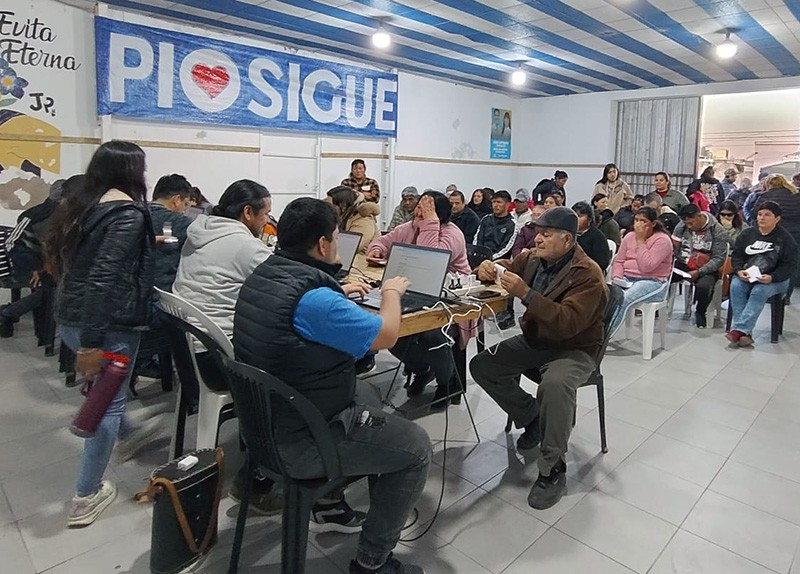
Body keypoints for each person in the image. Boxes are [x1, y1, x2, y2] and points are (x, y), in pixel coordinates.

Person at [233, 197, 431, 574]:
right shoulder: (315, 301)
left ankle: (328, 504)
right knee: (416, 448)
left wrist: (338, 294)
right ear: (323, 244)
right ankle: (373, 561)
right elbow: (387, 334)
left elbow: (299, 318)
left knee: (369, 393)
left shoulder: (266, 274)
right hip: (300, 441)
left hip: (262, 423)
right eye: (336, 238)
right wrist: (391, 292)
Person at [46, 141, 158, 527]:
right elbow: (103, 277)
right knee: (106, 404)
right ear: (130, 171)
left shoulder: (86, 206)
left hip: (71, 319)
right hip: (109, 327)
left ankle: (128, 432)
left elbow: (85, 264)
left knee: (106, 393)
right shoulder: (126, 212)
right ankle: (86, 495)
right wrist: (92, 343)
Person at [470, 207, 607, 510]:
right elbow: (509, 266)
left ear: (567, 240)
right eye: (537, 233)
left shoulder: (587, 274)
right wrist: (492, 267)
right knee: (483, 365)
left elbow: (567, 322)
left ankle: (552, 468)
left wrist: (527, 294)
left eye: (546, 234)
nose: (538, 239)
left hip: (574, 348)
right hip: (538, 340)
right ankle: (532, 417)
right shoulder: (534, 258)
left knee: (554, 385)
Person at [367, 191, 471, 405]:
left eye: (425, 210)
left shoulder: (453, 234)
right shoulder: (410, 227)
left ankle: (446, 382)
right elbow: (384, 241)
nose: (418, 213)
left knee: (432, 335)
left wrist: (429, 223)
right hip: (412, 292)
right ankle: (423, 370)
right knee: (390, 328)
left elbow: (430, 259)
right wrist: (378, 249)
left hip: (449, 301)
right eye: (419, 209)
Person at [1, 177, 77, 340]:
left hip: (50, 266)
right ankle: (7, 312)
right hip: (27, 265)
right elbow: (12, 243)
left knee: (58, 288)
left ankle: (10, 313)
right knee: (53, 290)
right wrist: (34, 266)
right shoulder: (34, 216)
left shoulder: (67, 216)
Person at [727, 201, 797, 347]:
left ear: (777, 219)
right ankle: (744, 332)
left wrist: (773, 277)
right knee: (736, 286)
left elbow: (789, 266)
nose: (762, 218)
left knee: (759, 291)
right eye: (759, 214)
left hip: (776, 279)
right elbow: (737, 256)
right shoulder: (747, 234)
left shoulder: (786, 239)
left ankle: (739, 329)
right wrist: (739, 270)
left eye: (767, 215)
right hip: (748, 275)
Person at [607, 206, 674, 336]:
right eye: (636, 220)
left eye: (643, 221)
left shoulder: (662, 240)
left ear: (653, 224)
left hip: (653, 281)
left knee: (623, 299)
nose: (638, 224)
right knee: (605, 296)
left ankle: (605, 336)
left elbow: (647, 267)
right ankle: (592, 332)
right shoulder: (629, 236)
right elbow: (619, 261)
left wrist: (640, 241)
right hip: (626, 279)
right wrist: (617, 277)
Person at [672, 203, 728, 328]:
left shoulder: (717, 230)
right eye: (686, 223)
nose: (689, 226)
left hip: (706, 267)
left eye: (691, 223)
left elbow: (719, 259)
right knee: (662, 276)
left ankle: (700, 311)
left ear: (699, 216)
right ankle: (657, 307)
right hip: (684, 262)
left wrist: (699, 272)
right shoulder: (681, 226)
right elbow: (673, 248)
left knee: (704, 286)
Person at [148, 174, 193, 292]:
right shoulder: (182, 223)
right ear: (177, 200)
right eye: (186, 204)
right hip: (162, 292)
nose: (185, 210)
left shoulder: (133, 214)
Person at [758, 173, 800, 299]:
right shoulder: (796, 196)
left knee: (769, 262)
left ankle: (769, 294)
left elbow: (756, 213)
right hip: (795, 234)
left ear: (769, 184)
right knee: (791, 264)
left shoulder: (766, 196)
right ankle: (786, 296)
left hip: (773, 233)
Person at [327, 185, 380, 254]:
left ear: (343, 206)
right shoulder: (341, 216)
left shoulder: (363, 220)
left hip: (361, 257)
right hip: (342, 254)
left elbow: (352, 247)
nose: (327, 208)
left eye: (331, 205)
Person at [473, 189, 517, 259]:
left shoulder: (512, 224)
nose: (495, 205)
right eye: (494, 202)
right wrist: (478, 254)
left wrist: (490, 258)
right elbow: (478, 239)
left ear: (507, 204)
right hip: (480, 256)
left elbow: (506, 248)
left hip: (499, 259)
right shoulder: (486, 219)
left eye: (499, 202)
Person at [572, 202, 611, 273]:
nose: (576, 219)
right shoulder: (568, 233)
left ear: (589, 219)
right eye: (573, 216)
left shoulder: (597, 236)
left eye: (579, 216)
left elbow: (602, 263)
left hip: (588, 272)